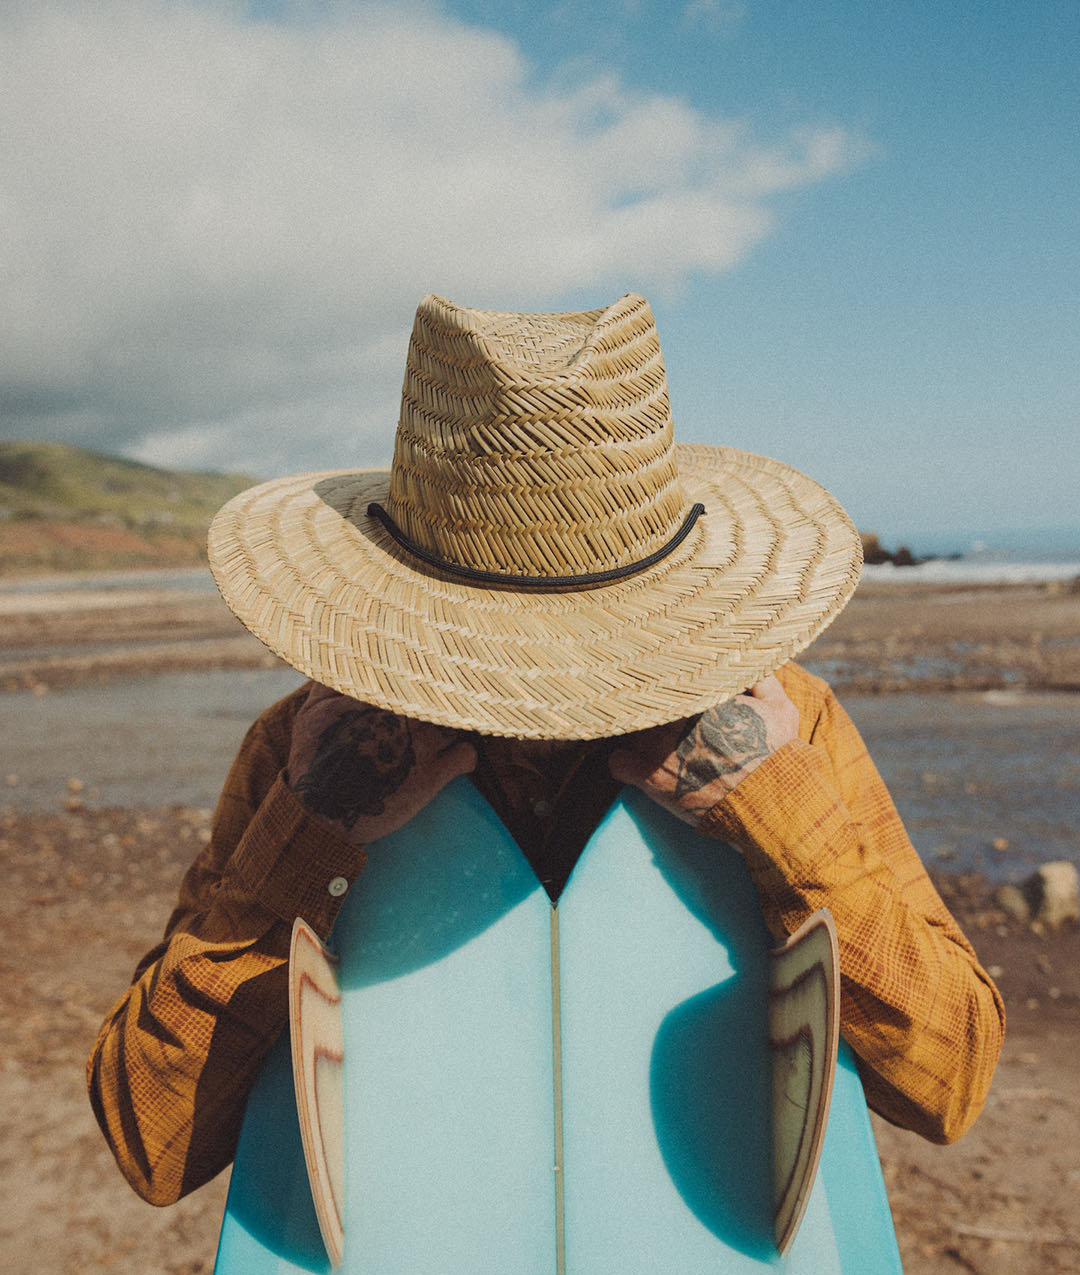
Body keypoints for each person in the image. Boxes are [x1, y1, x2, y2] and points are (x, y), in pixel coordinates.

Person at [88, 292, 1004, 1208]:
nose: (543, 684)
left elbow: (951, 1078)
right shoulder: (317, 754)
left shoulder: (782, 726)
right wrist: (306, 833)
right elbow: (150, 1139)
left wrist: (781, 816)